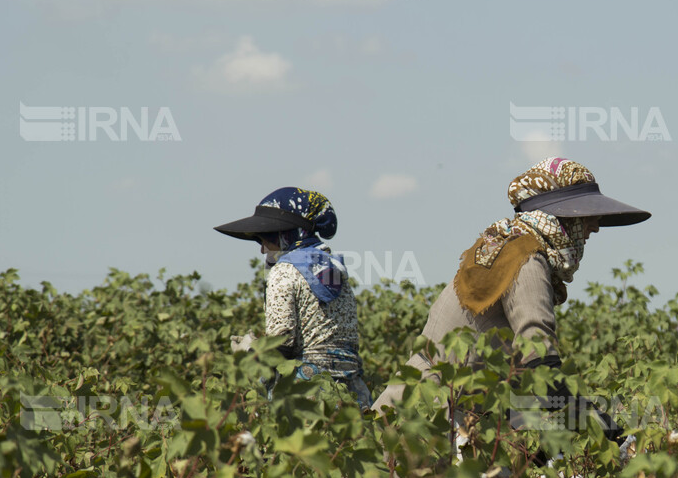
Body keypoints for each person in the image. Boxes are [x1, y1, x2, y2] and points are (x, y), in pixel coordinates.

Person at [372, 157, 650, 452]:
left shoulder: (507, 245)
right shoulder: (527, 259)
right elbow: (540, 366)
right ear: (565, 218)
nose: (595, 227)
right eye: (589, 217)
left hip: (422, 405)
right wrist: (610, 433)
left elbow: (513, 376)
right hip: (433, 418)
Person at [214, 187, 374, 412]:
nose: (262, 250)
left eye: (265, 240)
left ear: (284, 235)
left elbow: (281, 345)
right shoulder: (333, 268)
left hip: (308, 396)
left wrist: (249, 353)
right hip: (352, 395)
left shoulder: (284, 271)